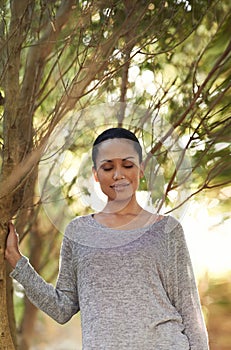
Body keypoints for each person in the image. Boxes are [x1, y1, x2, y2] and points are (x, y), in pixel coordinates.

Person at [5, 127, 209, 350]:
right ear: (95, 174)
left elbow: (190, 313)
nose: (118, 174)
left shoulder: (167, 230)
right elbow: (63, 308)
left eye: (128, 165)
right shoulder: (78, 232)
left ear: (141, 169)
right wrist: (16, 260)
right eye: (108, 167)